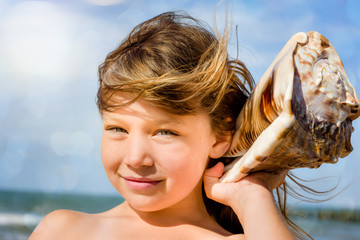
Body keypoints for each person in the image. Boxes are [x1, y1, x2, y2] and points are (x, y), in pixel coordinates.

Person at [29, 11, 296, 240]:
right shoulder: (62, 231)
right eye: (118, 129)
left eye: (165, 132)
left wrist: (251, 195)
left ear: (219, 137)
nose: (136, 158)